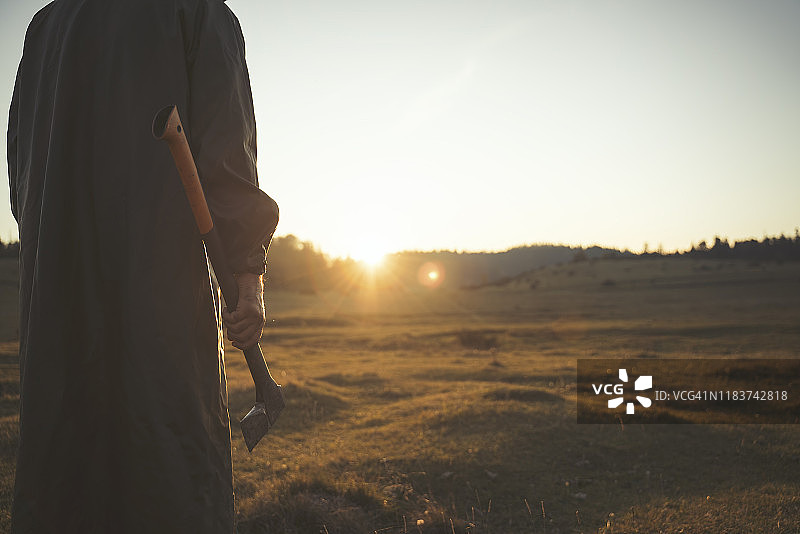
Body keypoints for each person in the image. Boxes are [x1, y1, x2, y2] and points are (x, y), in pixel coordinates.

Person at [6, 0, 277, 531]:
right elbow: (226, 155)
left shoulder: (45, 26)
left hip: (55, 293)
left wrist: (57, 244)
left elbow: (20, 171)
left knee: (65, 470)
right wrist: (248, 275)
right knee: (169, 468)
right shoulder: (194, 12)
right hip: (162, 288)